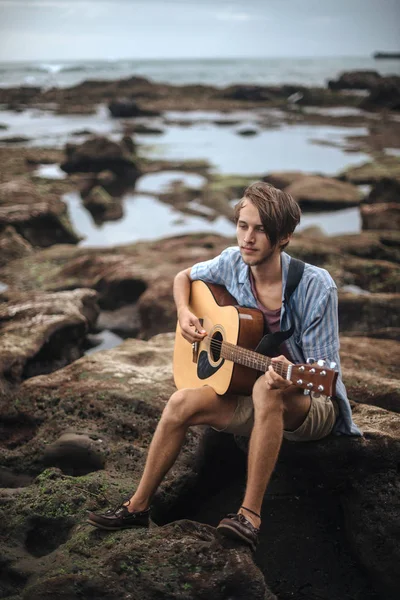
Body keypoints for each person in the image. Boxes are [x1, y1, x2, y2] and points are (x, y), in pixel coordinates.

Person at [87, 182, 361, 550]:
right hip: (251, 391)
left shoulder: (316, 286)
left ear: (284, 237)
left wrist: (292, 379)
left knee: (268, 386)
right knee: (181, 402)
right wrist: (185, 313)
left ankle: (249, 516)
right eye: (242, 225)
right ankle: (137, 507)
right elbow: (183, 277)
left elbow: (324, 376)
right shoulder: (232, 261)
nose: (248, 238)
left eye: (260, 229)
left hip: (309, 404)